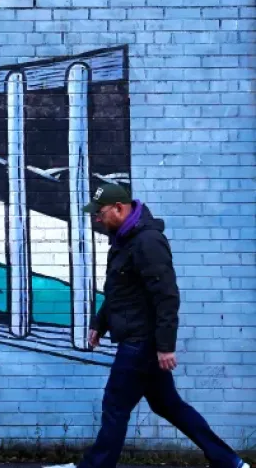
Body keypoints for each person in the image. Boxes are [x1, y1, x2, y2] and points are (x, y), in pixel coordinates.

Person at [45, 183, 249, 468]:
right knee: (169, 405)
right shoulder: (124, 240)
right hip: (140, 339)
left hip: (141, 341)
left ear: (119, 208)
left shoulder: (147, 241)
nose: (97, 219)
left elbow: (166, 296)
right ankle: (230, 462)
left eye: (100, 213)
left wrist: (165, 346)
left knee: (115, 405)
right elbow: (121, 291)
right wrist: (99, 324)